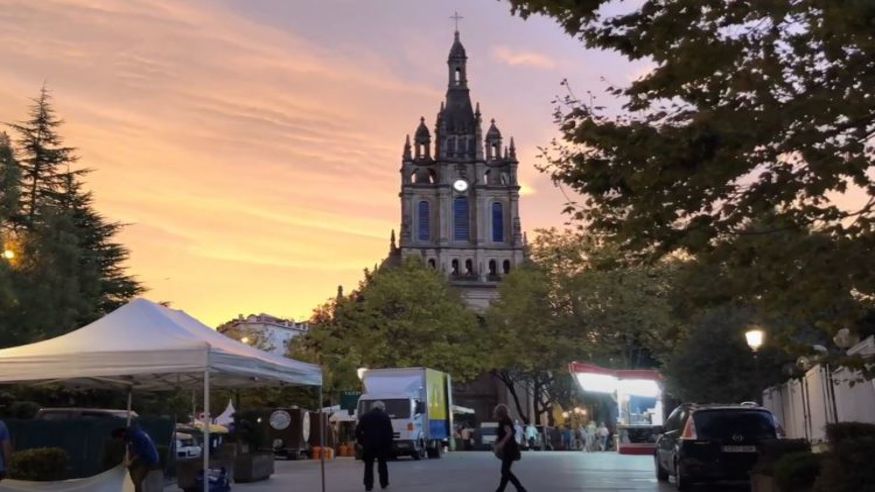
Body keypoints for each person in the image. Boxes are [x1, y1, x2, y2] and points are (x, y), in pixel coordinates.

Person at [355, 401, 393, 491]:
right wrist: (388, 445)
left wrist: (362, 441)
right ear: (382, 408)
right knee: (382, 464)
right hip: (382, 445)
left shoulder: (365, 416)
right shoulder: (385, 416)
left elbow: (358, 431)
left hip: (368, 445)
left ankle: (368, 485)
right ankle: (384, 483)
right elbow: (390, 432)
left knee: (368, 465)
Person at [111, 425, 161, 492]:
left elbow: (139, 452)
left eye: (119, 439)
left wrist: (130, 461)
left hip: (149, 459)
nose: (120, 441)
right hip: (146, 457)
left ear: (122, 435)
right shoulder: (132, 434)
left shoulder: (137, 436)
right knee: (134, 473)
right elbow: (130, 449)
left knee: (136, 478)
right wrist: (125, 459)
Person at [493, 404, 526, 492]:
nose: (494, 413)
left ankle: (521, 489)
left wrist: (501, 443)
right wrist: (497, 440)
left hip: (509, 449)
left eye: (495, 412)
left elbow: (509, 433)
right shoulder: (504, 421)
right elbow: (504, 434)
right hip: (509, 448)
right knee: (505, 471)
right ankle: (500, 490)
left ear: (499, 413)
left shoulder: (505, 421)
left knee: (505, 471)